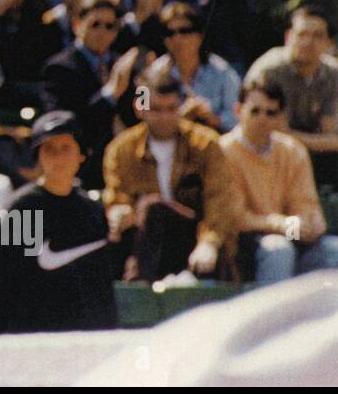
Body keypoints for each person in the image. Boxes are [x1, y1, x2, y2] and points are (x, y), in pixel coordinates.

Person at [0, 111, 118, 333]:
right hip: (33, 342)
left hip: (85, 342)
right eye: (49, 150)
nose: (59, 157)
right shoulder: (24, 208)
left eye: (66, 148)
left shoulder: (91, 210)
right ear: (38, 157)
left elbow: (101, 287)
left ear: (81, 154)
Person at [101, 75, 240, 283]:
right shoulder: (121, 149)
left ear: (181, 106)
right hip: (142, 238)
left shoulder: (205, 144)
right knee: (145, 213)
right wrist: (118, 212)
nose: (164, 117)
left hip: (191, 237)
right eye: (156, 110)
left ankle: (139, 281)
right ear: (140, 108)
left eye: (171, 109)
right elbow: (117, 197)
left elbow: (219, 200)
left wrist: (208, 242)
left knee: (154, 208)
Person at [221, 79, 338, 284]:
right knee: (279, 249)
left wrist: (311, 225)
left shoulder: (292, 150)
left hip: (292, 239)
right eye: (255, 111)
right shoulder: (224, 151)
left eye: (271, 113)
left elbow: (304, 204)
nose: (262, 119)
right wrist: (282, 225)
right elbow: (236, 217)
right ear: (238, 110)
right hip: (245, 246)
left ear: (281, 117)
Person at [40, 0, 139, 189]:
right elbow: (63, 124)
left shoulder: (123, 65)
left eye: (110, 26)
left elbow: (135, 116)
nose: (102, 32)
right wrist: (109, 95)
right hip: (85, 168)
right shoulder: (59, 68)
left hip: (124, 165)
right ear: (77, 25)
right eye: (95, 24)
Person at [245, 6, 338, 184]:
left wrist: (292, 135)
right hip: (268, 150)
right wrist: (315, 140)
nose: (308, 42)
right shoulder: (269, 71)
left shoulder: (332, 72)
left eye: (317, 36)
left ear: (329, 44)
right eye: (302, 34)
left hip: (308, 151)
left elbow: (334, 137)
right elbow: (259, 128)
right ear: (288, 37)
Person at [151, 2, 242, 132]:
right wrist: (178, 116)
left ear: (199, 35)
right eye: (169, 33)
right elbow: (140, 108)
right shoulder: (153, 72)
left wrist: (212, 118)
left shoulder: (222, 71)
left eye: (185, 31)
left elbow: (238, 115)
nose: (177, 38)